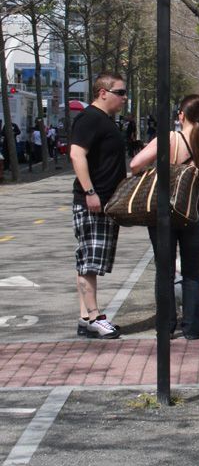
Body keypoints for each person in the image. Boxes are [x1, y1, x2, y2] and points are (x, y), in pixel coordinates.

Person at [130, 94, 199, 339]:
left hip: (164, 213)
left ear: (181, 115)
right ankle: (192, 328)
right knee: (192, 271)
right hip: (194, 214)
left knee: (164, 270)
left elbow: (135, 164)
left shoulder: (169, 139)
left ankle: (166, 326)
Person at [69, 72, 129, 338]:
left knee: (89, 261)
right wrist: (90, 191)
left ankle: (85, 317)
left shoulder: (104, 120)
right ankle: (94, 317)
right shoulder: (90, 118)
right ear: (103, 93)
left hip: (104, 201)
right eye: (120, 92)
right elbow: (76, 153)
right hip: (93, 201)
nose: (125, 98)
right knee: (90, 261)